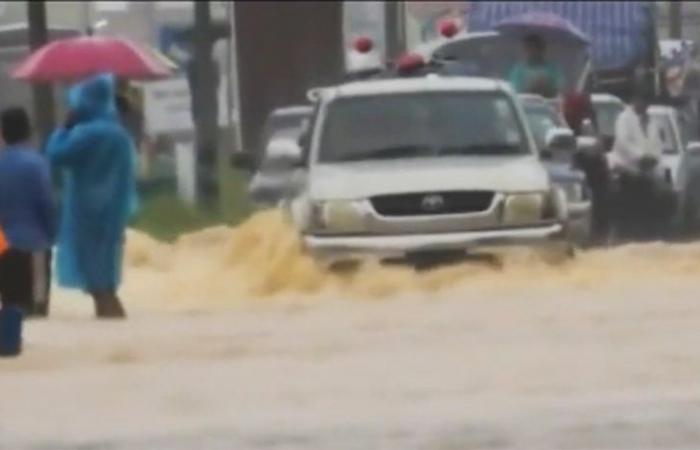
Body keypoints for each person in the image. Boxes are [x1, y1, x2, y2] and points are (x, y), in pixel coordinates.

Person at [46, 73, 138, 319]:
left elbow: (55, 154)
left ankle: (109, 320)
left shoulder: (86, 134)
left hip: (86, 212)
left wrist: (63, 128)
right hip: (114, 210)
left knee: (96, 281)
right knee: (106, 273)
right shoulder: (118, 134)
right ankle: (113, 324)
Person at [0, 107, 56, 317]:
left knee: (11, 310)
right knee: (36, 313)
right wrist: (51, 236)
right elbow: (47, 204)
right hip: (33, 246)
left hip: (2, 248)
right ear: (29, 131)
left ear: (2, 133)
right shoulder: (36, 164)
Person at [508, 34, 565, 98]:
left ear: (541, 49)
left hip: (548, 104)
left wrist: (547, 86)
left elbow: (560, 88)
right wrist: (529, 87)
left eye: (533, 47)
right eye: (527, 48)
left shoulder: (552, 69)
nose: (530, 51)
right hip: (524, 104)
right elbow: (513, 89)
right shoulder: (519, 69)